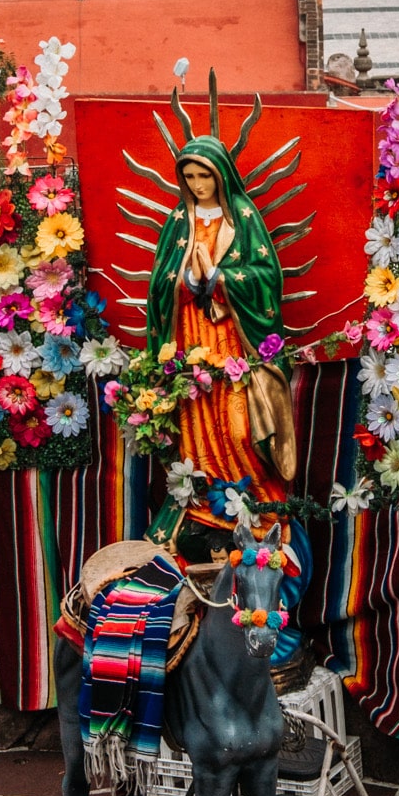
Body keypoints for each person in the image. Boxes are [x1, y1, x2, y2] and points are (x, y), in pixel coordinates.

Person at [143, 135, 298, 551]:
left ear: (220, 174)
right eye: (189, 176)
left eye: (204, 175)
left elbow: (267, 277)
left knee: (239, 429)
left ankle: (253, 502)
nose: (197, 184)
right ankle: (204, 507)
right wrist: (188, 282)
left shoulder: (242, 215)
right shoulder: (180, 220)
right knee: (197, 422)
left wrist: (220, 280)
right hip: (191, 339)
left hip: (233, 342)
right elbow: (159, 283)